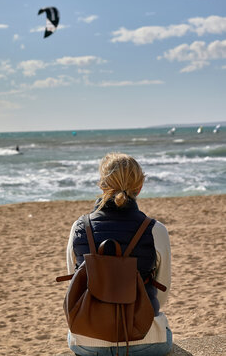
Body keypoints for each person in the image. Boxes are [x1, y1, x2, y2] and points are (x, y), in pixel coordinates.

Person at [66, 152, 172, 356]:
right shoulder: (155, 230)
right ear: (139, 187)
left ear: (102, 185)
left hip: (87, 342)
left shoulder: (79, 227)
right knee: (164, 333)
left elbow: (75, 283)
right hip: (145, 341)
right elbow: (162, 293)